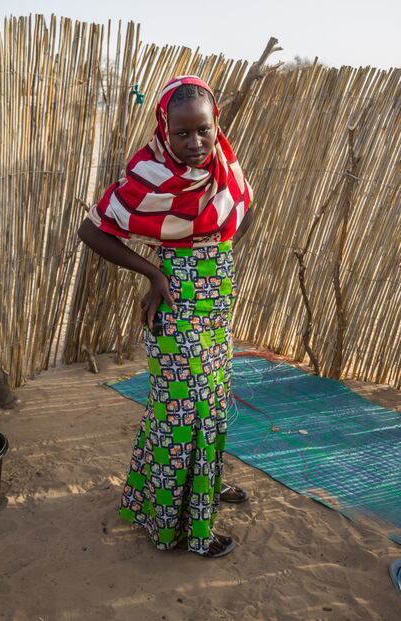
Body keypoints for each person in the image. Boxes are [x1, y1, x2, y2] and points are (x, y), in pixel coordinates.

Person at [78, 75, 253, 558]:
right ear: (164, 129)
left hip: (216, 302)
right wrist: (155, 274)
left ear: (215, 125)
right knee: (182, 411)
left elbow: (242, 206)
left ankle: (204, 489)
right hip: (175, 302)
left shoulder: (224, 163)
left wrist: (214, 257)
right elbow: (91, 230)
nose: (195, 143)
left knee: (212, 405)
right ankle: (181, 528)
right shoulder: (148, 176)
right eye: (182, 133)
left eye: (203, 130)